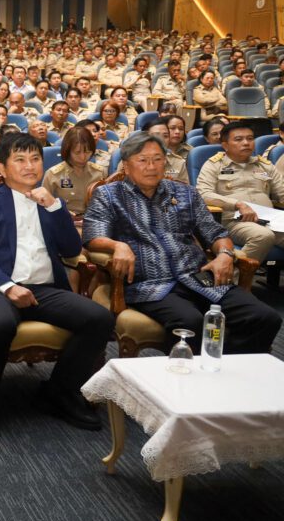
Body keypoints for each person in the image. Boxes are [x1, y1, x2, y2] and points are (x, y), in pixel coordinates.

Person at [0, 133, 114, 440]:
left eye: (35, 159)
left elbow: (71, 249)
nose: (30, 166)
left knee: (100, 319)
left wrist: (55, 208)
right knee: (1, 323)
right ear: (1, 168)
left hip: (44, 288)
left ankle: (58, 392)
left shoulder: (50, 202)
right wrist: (7, 287)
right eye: (20, 159)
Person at [83, 132, 279, 354]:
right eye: (143, 160)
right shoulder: (109, 195)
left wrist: (225, 254)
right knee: (190, 323)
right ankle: (192, 371)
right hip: (151, 283)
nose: (151, 166)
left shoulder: (185, 193)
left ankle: (224, 364)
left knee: (265, 317)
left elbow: (215, 232)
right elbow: (93, 236)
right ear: (126, 166)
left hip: (198, 277)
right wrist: (117, 245)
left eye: (157, 159)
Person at [197, 120, 284, 262]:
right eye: (239, 139)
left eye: (250, 138)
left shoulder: (264, 165)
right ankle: (231, 273)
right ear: (225, 145)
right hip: (234, 222)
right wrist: (238, 204)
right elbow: (203, 194)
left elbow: (282, 193)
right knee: (263, 235)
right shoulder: (214, 165)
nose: (246, 143)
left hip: (270, 220)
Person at [42, 127, 106, 217]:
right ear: (67, 151)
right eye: (77, 153)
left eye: (87, 152)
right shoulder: (53, 174)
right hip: (65, 219)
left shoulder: (100, 172)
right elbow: (43, 205)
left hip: (96, 218)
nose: (83, 157)